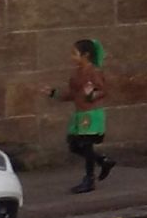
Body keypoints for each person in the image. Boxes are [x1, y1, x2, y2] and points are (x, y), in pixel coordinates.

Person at [47, 38, 115, 193]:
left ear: (86, 55)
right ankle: (102, 161)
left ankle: (89, 179)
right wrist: (53, 93)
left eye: (74, 53)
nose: (72, 57)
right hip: (80, 113)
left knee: (85, 144)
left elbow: (103, 90)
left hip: (91, 114)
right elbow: (73, 94)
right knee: (73, 145)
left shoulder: (94, 72)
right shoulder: (77, 73)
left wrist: (92, 95)